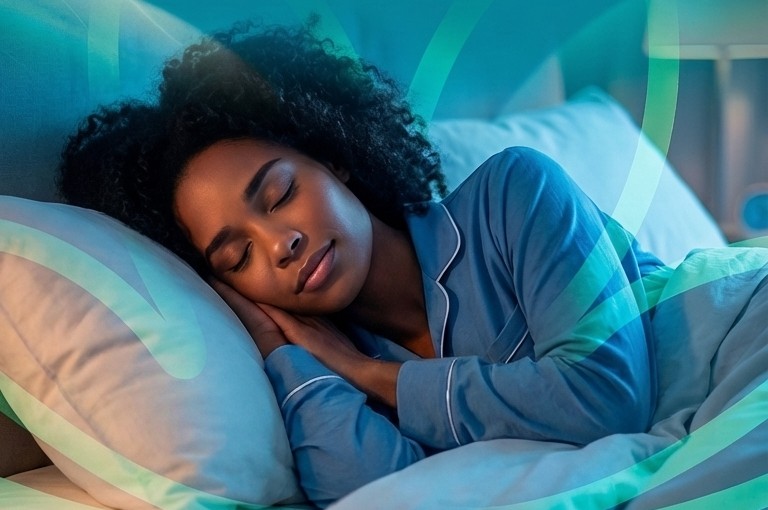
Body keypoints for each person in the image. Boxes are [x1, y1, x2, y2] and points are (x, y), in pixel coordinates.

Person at [58, 22, 665, 508]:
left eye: (279, 196)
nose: (279, 245)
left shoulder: (514, 194)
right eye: (238, 255)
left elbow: (608, 396)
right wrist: (284, 353)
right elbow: (377, 494)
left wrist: (372, 376)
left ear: (333, 158)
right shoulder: (328, 375)